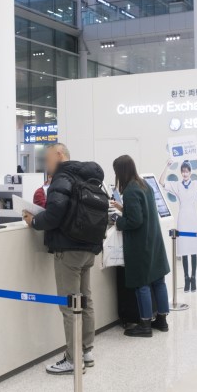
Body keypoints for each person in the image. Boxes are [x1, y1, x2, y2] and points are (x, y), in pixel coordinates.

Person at [22, 144, 103, 375]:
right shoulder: (87, 177)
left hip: (68, 250)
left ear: (59, 155)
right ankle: (86, 352)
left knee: (69, 306)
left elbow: (55, 212)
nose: (46, 166)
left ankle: (72, 358)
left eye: (47, 160)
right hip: (89, 248)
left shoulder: (62, 177)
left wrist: (35, 222)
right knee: (85, 301)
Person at [110, 155, 170, 338]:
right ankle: (162, 320)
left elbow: (135, 221)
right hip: (154, 240)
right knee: (159, 281)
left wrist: (118, 220)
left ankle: (144, 324)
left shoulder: (130, 190)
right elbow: (143, 211)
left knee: (141, 284)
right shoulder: (144, 184)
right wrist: (123, 208)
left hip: (140, 243)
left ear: (121, 171)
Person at [159, 158, 197, 292]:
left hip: (193, 218)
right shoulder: (177, 185)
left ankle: (194, 278)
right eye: (183, 171)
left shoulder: (196, 184)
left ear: (190, 172)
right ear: (181, 172)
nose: (185, 174)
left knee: (193, 250)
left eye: (187, 171)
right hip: (182, 218)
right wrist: (167, 165)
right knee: (184, 250)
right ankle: (186, 278)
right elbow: (161, 182)